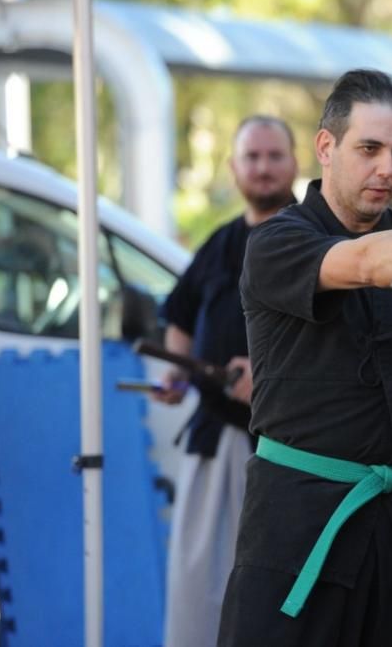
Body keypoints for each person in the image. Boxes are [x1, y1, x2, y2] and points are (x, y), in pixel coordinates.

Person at [217, 69, 392, 646]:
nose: (387, 169)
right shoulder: (277, 242)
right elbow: (369, 261)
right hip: (303, 525)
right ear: (327, 146)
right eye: (369, 149)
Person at [152, 115, 299, 647]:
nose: (262, 168)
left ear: (296, 162)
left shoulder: (315, 239)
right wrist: (179, 369)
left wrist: (273, 378)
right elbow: (181, 315)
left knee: (271, 604)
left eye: (273, 156)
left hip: (292, 451)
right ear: (235, 167)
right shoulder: (218, 244)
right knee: (198, 598)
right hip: (217, 440)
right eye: (252, 157)